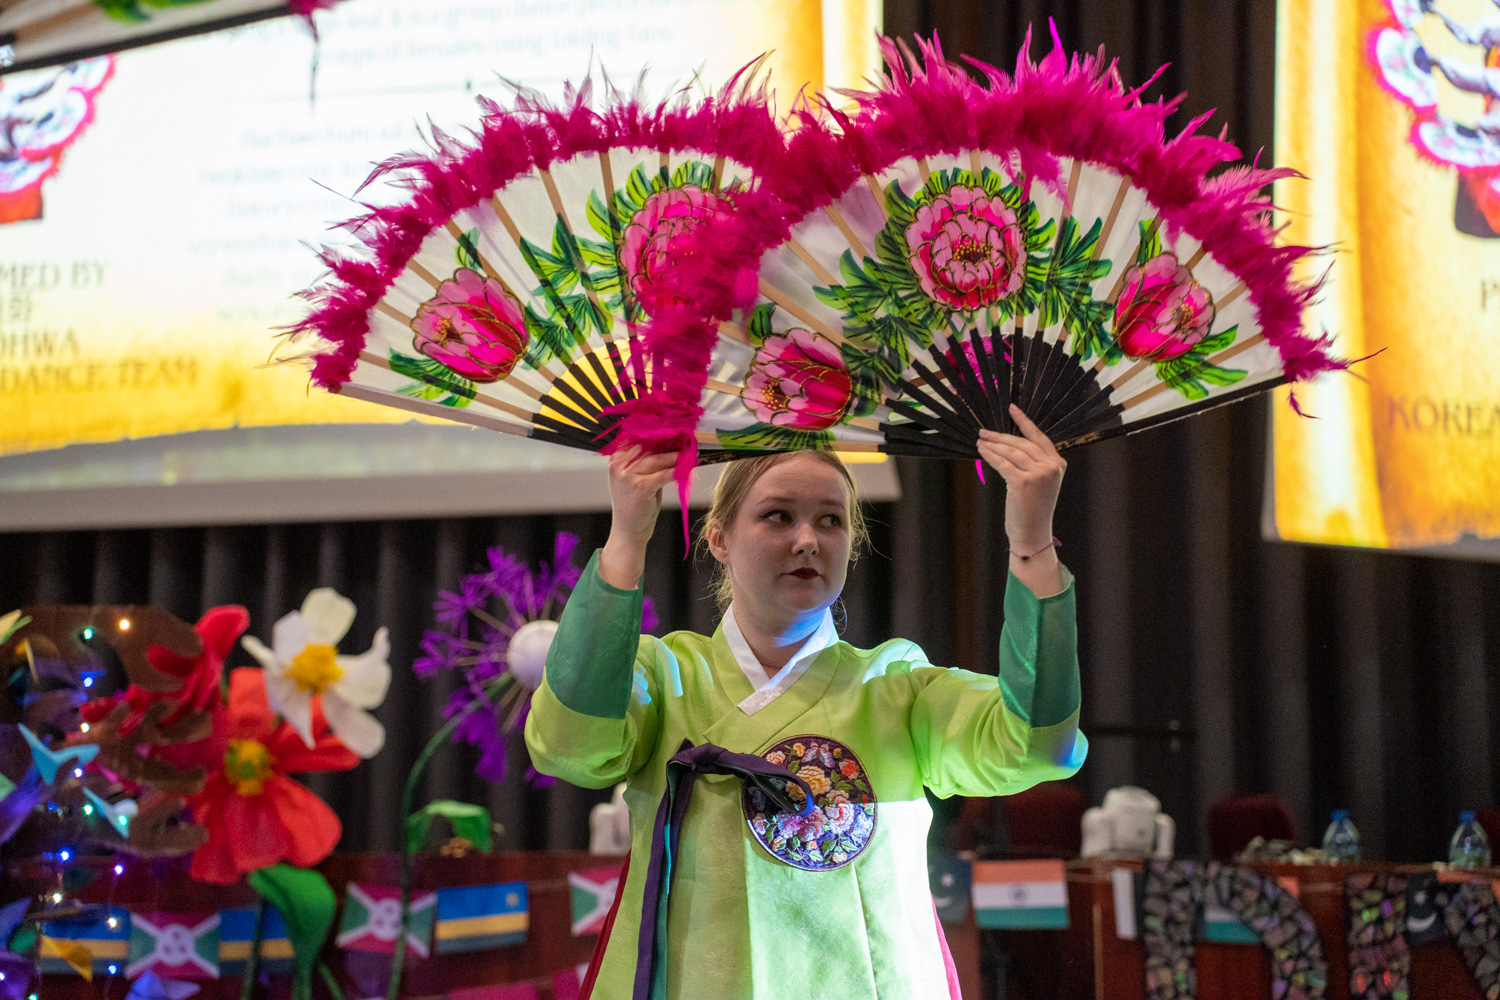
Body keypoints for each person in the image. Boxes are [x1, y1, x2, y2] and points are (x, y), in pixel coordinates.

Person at [524, 403, 1087, 1000]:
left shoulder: (895, 685)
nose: (807, 540)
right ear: (718, 538)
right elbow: (566, 747)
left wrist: (1031, 546)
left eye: (830, 521)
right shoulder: (663, 677)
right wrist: (626, 541)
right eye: (777, 516)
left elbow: (1038, 745)